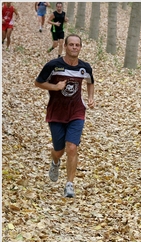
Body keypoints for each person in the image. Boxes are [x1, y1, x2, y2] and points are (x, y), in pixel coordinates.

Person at [34, 34, 95, 198]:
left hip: (76, 112)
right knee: (59, 150)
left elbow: (90, 82)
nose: (75, 47)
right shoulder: (54, 65)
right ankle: (55, 162)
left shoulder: (85, 67)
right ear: (66, 47)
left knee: (72, 147)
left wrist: (90, 97)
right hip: (56, 112)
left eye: (77, 45)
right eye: (72, 45)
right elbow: (38, 82)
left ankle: (69, 185)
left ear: (80, 48)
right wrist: (55, 87)